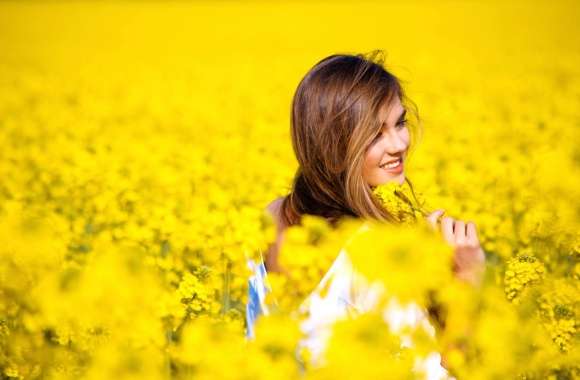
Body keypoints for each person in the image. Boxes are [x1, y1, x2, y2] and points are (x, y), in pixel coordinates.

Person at [245, 50, 486, 379]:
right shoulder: (373, 253)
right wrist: (466, 282)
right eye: (375, 133)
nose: (399, 143)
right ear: (334, 147)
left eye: (400, 123)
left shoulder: (269, 219)